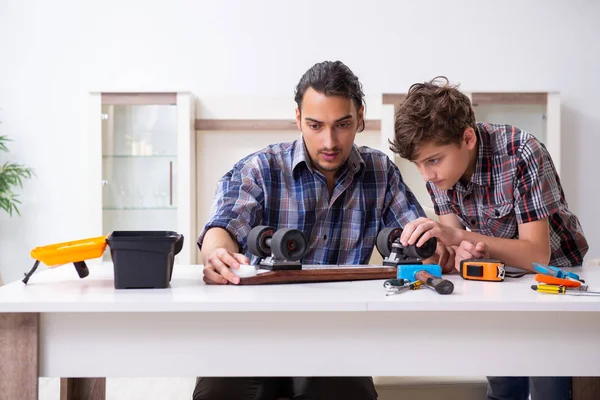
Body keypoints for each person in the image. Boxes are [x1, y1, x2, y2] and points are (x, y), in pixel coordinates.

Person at [194, 61, 454, 400]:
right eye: (315, 125)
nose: (329, 141)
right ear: (298, 118)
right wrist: (217, 254)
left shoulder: (380, 172)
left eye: (342, 125)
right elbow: (222, 226)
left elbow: (419, 241)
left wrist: (434, 249)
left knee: (345, 391)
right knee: (220, 391)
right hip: (253, 328)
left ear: (360, 117)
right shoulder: (262, 168)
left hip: (337, 332)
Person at [391, 76, 589, 400]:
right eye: (418, 164)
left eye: (433, 160)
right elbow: (457, 249)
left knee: (547, 385)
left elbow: (536, 254)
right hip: (499, 279)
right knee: (503, 382)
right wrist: (451, 250)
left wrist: (458, 235)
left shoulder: (521, 151)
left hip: (554, 279)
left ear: (467, 138)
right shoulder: (440, 177)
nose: (426, 175)